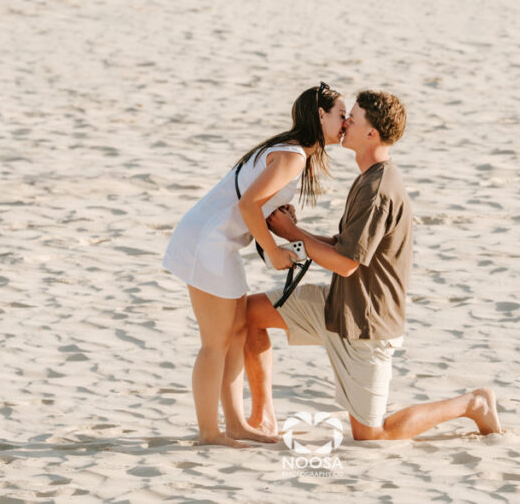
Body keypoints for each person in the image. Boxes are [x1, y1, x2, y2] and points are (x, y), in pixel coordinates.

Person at [244, 90, 502, 441]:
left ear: (371, 134)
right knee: (248, 314)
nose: (344, 122)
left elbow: (347, 264)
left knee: (372, 436)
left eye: (353, 117)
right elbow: (345, 245)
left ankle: (472, 403)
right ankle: (263, 418)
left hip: (367, 325)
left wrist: (292, 234)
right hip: (337, 306)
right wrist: (295, 231)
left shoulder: (378, 188)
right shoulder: (369, 176)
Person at [162, 83, 346, 448]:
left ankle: (234, 424)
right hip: (206, 244)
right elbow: (247, 206)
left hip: (221, 245)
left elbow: (253, 202)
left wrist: (278, 214)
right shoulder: (293, 155)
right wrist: (274, 253)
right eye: (341, 115)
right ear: (321, 115)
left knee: (237, 333)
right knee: (214, 343)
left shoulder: (293, 153)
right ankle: (209, 434)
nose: (345, 123)